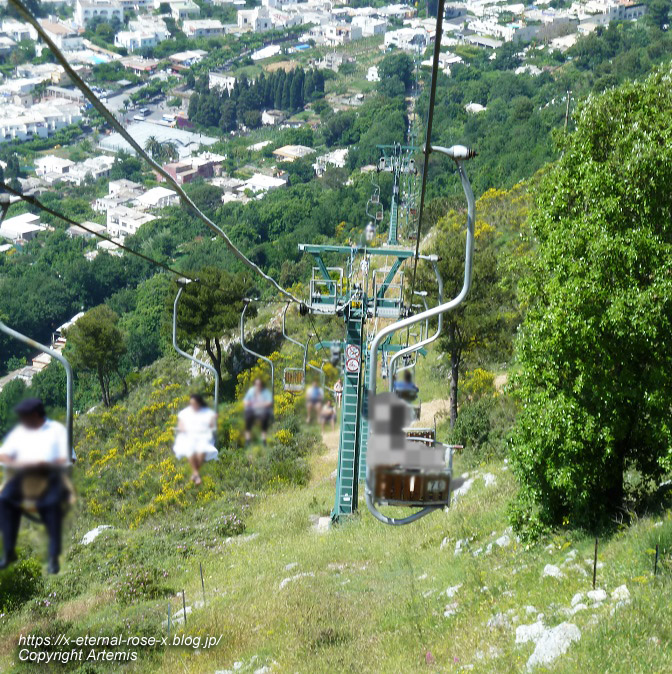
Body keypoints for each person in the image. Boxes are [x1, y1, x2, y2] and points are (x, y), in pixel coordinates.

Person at [0, 398, 71, 574]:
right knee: (5, 499)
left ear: (35, 415)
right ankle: (9, 551)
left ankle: (53, 557)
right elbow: (3, 455)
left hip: (50, 476)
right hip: (23, 476)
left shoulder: (56, 431)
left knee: (51, 505)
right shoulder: (21, 433)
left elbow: (67, 459)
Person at [173, 394, 218, 486]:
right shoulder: (185, 413)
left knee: (202, 448)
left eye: (195, 404)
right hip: (189, 436)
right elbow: (181, 426)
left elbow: (211, 426)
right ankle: (196, 473)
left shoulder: (207, 412)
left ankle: (195, 473)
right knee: (190, 448)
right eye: (191, 404)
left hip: (203, 436)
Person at [243, 378, 273, 446]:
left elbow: (269, 402)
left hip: (263, 410)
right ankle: (248, 440)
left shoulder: (265, 392)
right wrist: (250, 403)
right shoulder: (251, 391)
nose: (258, 385)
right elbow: (245, 401)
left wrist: (260, 405)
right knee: (247, 417)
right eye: (256, 384)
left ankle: (264, 440)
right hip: (252, 410)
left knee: (265, 417)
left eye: (259, 384)